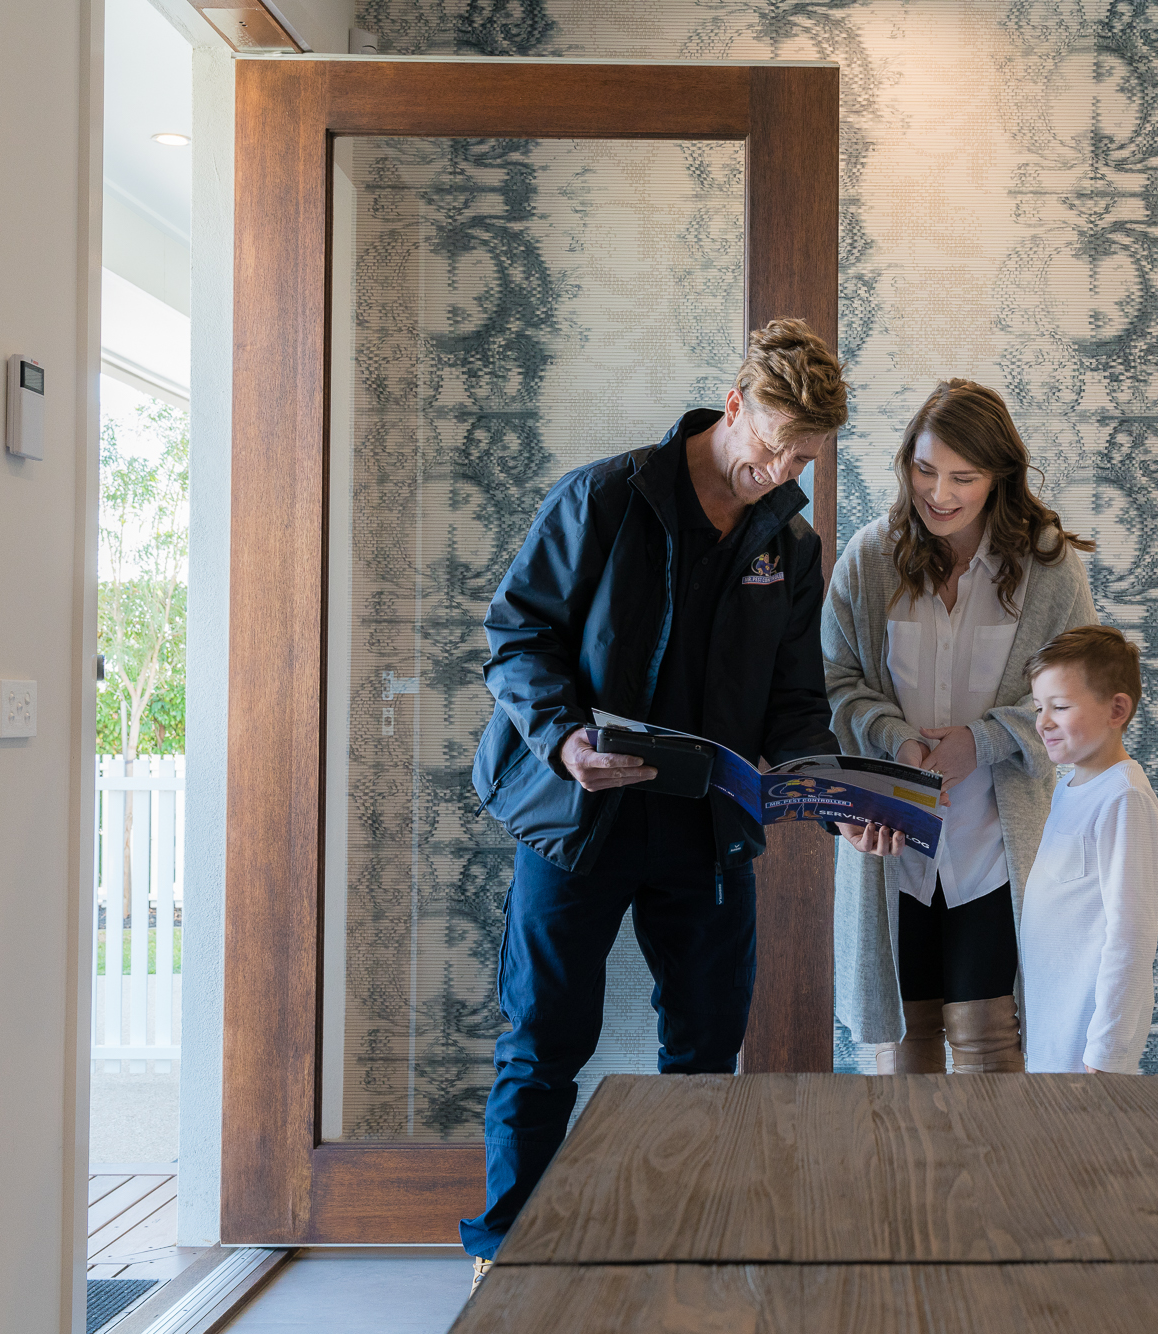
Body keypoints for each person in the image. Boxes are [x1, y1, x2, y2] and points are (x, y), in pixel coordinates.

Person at [461, 319, 850, 1278]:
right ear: (734, 405)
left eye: (803, 458)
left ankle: (683, 1251)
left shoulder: (790, 545)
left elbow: (796, 701)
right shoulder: (604, 497)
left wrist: (827, 783)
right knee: (544, 1042)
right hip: (579, 821)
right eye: (773, 447)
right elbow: (516, 636)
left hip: (705, 830)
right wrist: (563, 739)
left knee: (707, 1051)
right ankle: (507, 1255)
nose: (781, 473)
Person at [825, 379, 1097, 1074]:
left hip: (996, 851)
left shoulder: (1048, 568)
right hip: (892, 847)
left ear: (999, 476)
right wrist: (895, 739)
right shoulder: (869, 557)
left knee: (992, 1047)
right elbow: (831, 682)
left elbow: (1079, 700)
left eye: (963, 478)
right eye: (925, 470)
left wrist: (983, 741)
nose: (939, 494)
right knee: (900, 1049)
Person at [1016, 625, 1158, 1074]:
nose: (1043, 721)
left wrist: (1106, 1051)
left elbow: (1131, 935)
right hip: (1053, 1030)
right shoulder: (1067, 789)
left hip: (1090, 1049)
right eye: (1039, 707)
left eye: (1060, 707)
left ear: (1117, 709)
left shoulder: (1123, 797)